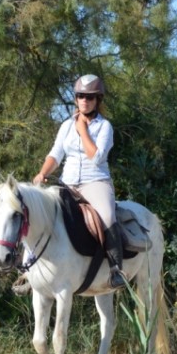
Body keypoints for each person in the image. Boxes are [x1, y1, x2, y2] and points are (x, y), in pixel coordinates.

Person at [32, 74, 126, 288]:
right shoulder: (66, 126)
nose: (85, 100)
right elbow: (55, 154)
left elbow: (97, 156)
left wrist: (83, 131)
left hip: (95, 182)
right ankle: (28, 270)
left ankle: (115, 269)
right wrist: (42, 173)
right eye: (80, 96)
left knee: (108, 215)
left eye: (90, 97)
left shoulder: (105, 127)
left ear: (97, 100)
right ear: (76, 99)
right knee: (39, 211)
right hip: (68, 183)